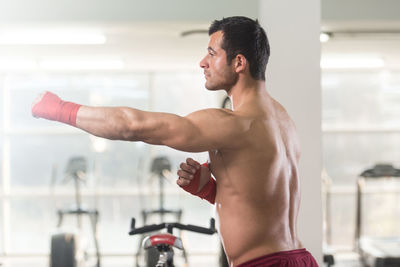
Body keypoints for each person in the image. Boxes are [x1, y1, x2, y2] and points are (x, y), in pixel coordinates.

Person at [32, 16, 318, 267]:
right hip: (301, 258)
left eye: (211, 53)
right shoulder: (282, 120)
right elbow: (261, 195)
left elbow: (134, 127)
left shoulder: (234, 124)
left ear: (239, 62)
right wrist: (209, 189)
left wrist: (61, 109)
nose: (202, 62)